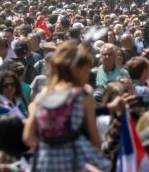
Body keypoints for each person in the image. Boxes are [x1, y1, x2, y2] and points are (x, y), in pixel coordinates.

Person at [22, 40, 109, 171]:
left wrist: (47, 150)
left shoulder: (43, 94)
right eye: (86, 69)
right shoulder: (83, 95)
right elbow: (94, 138)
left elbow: (28, 137)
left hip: (44, 162)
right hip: (73, 161)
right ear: (75, 70)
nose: (88, 74)